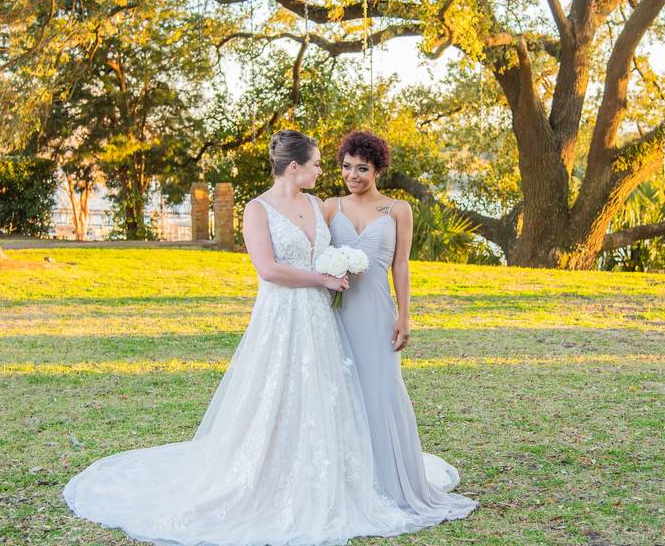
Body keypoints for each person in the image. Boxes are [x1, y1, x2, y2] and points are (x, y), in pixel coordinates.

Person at [63, 130, 428, 546]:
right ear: (296, 167)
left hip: (321, 319)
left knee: (326, 395)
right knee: (276, 393)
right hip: (283, 314)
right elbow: (269, 269)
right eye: (321, 164)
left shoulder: (316, 204)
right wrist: (322, 277)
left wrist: (365, 292)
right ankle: (272, 475)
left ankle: (343, 471)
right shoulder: (261, 209)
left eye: (352, 166)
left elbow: (369, 257)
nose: (329, 171)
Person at [324, 130, 477, 525]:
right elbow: (315, 257)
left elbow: (401, 266)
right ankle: (346, 481)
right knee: (343, 392)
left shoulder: (397, 210)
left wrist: (404, 315)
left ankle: (391, 482)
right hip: (337, 315)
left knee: (381, 389)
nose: (353, 175)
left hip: (377, 312)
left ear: (378, 169)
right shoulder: (329, 207)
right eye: (346, 167)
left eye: (362, 168)